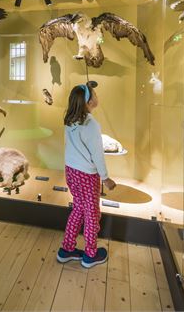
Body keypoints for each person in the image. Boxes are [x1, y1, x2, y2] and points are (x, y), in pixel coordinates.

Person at [57, 82, 116, 268]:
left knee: (79, 208)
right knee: (92, 213)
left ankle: (66, 249)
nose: (97, 96)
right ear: (89, 101)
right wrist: (105, 177)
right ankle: (90, 254)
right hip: (86, 175)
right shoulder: (91, 124)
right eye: (95, 93)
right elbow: (97, 154)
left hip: (71, 171)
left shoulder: (70, 120)